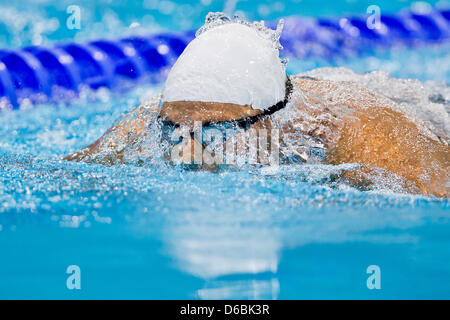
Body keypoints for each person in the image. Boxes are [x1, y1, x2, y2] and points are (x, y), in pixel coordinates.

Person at [64, 13, 449, 198]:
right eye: (174, 131)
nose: (188, 151)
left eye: (213, 133)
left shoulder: (364, 135)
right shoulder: (158, 120)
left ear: (269, 122)